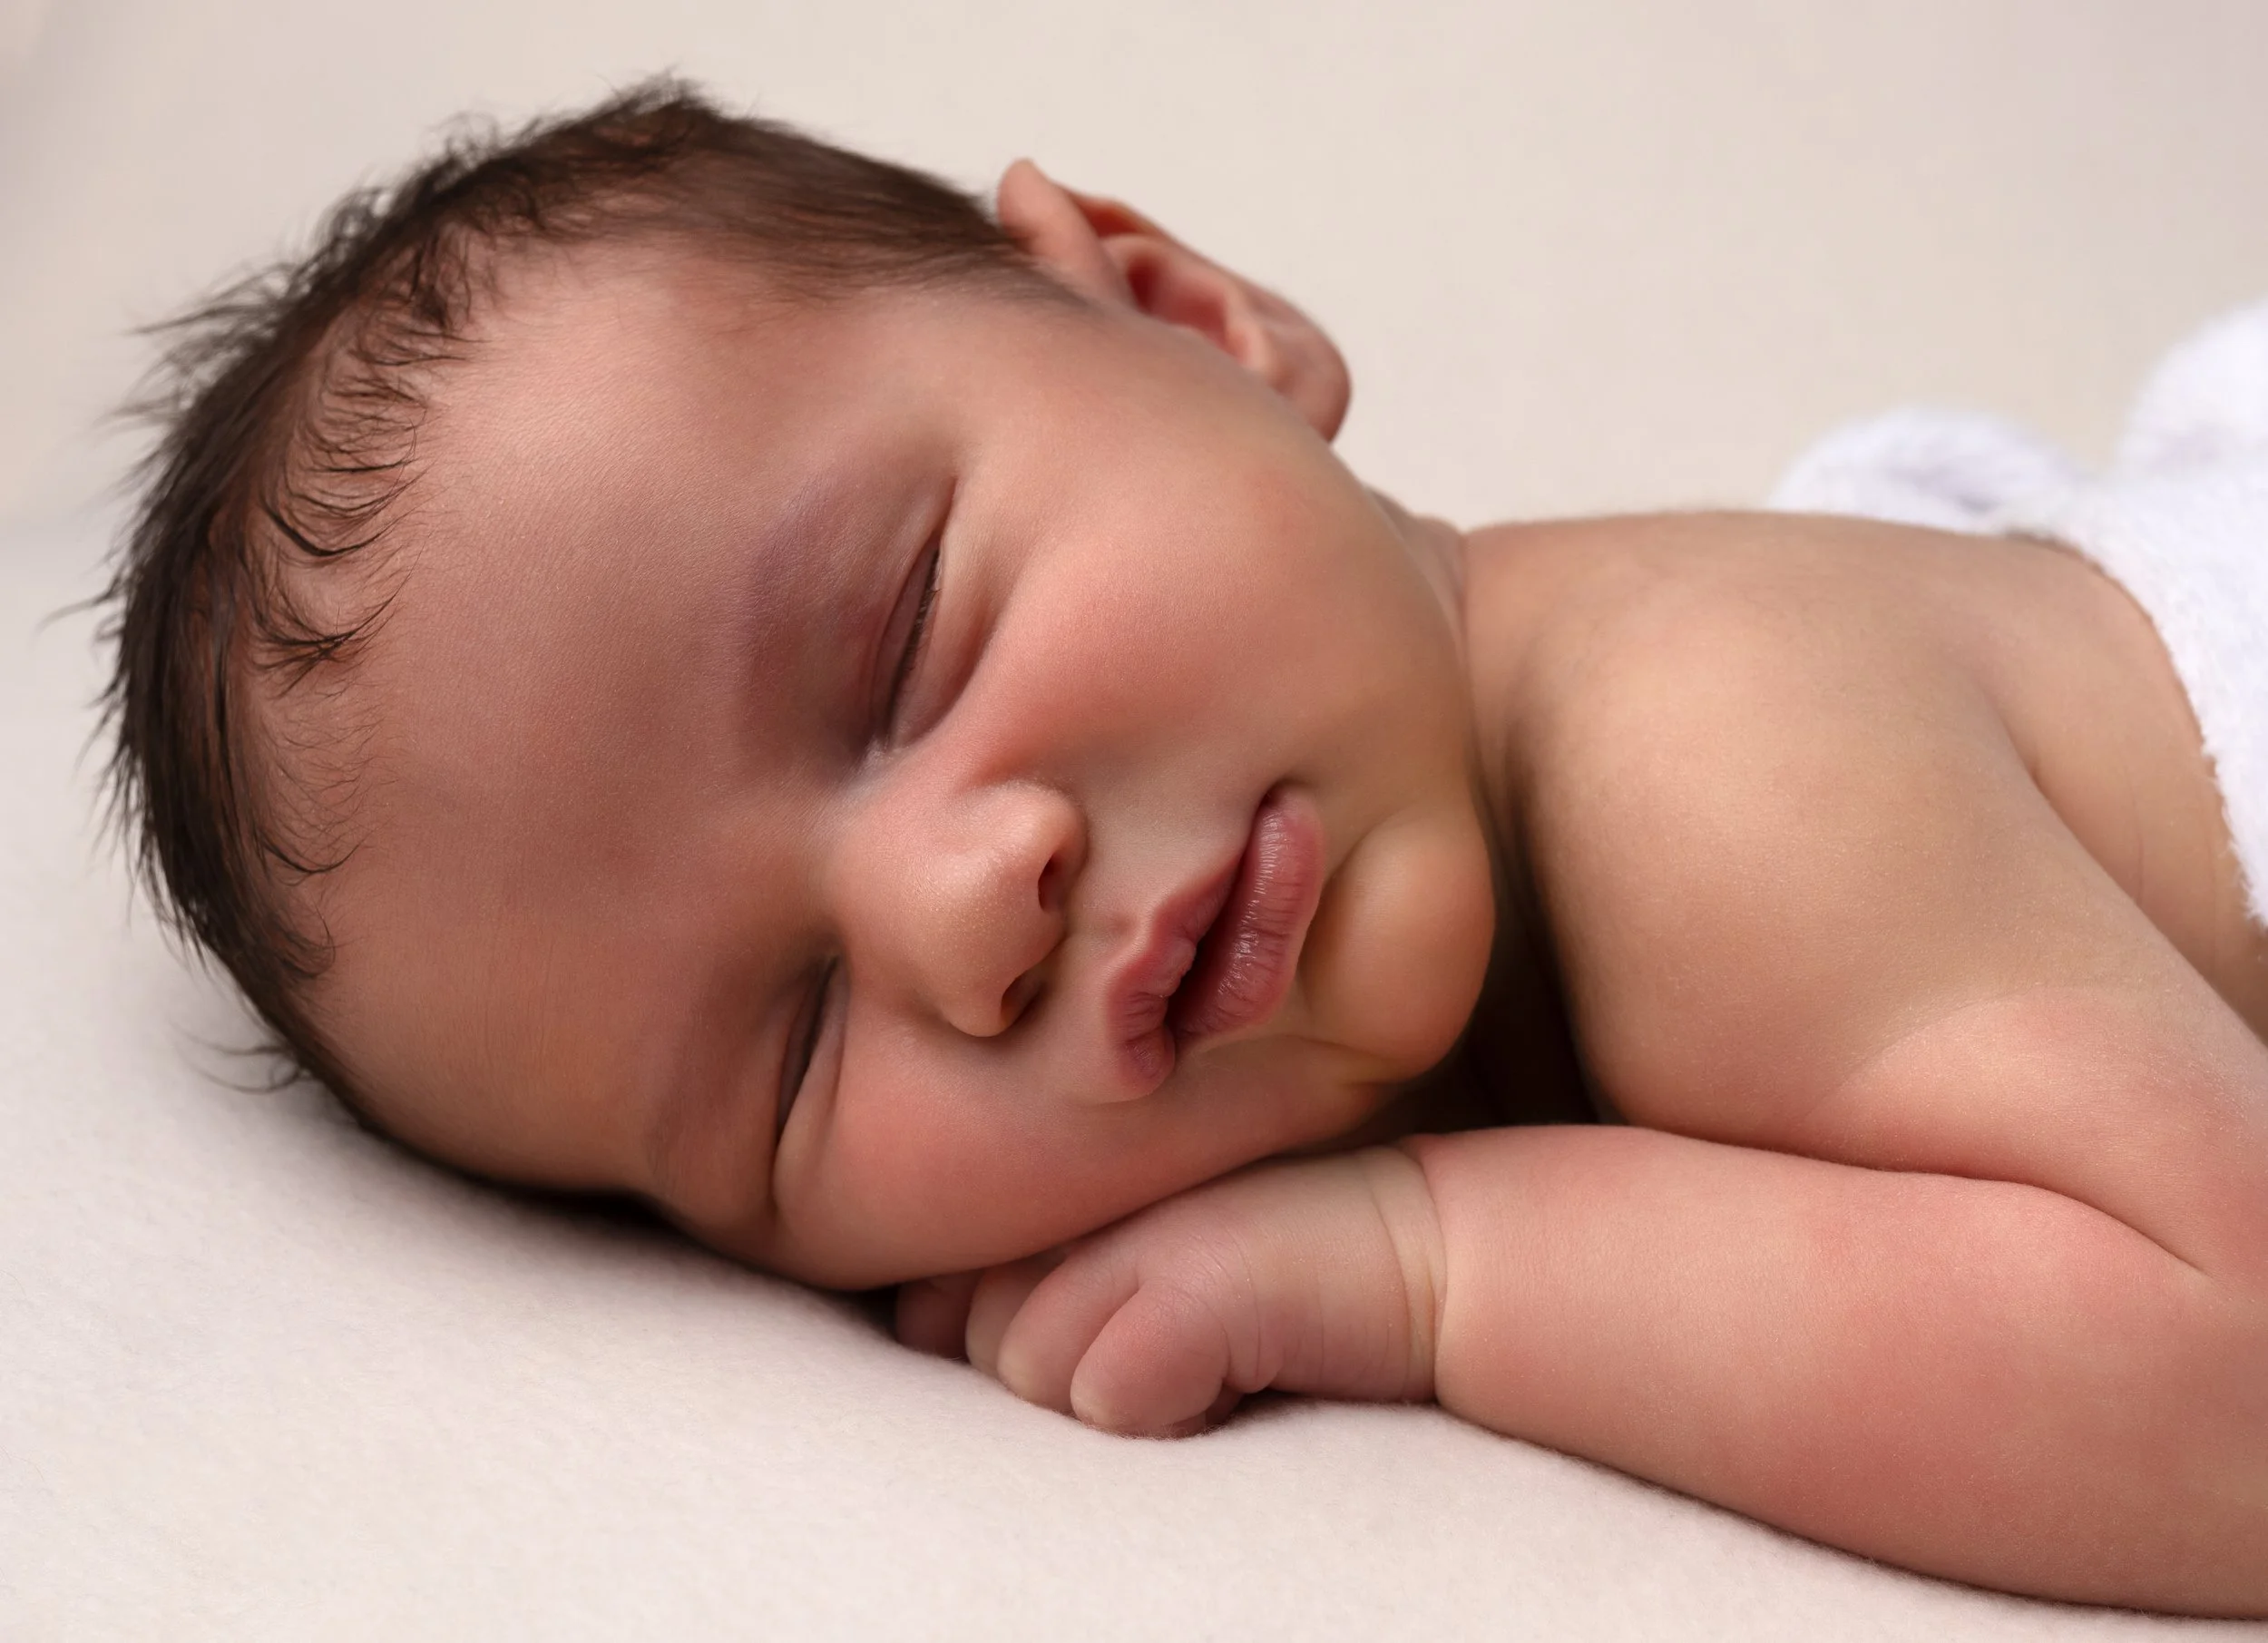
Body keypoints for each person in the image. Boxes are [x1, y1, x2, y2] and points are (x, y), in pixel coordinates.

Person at [101, 81, 2268, 1614]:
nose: (963, 910)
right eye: (789, 1049)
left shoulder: (1708, 754)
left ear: (1174, 309)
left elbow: (2230, 1375)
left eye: (902, 647)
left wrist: (1434, 1271)